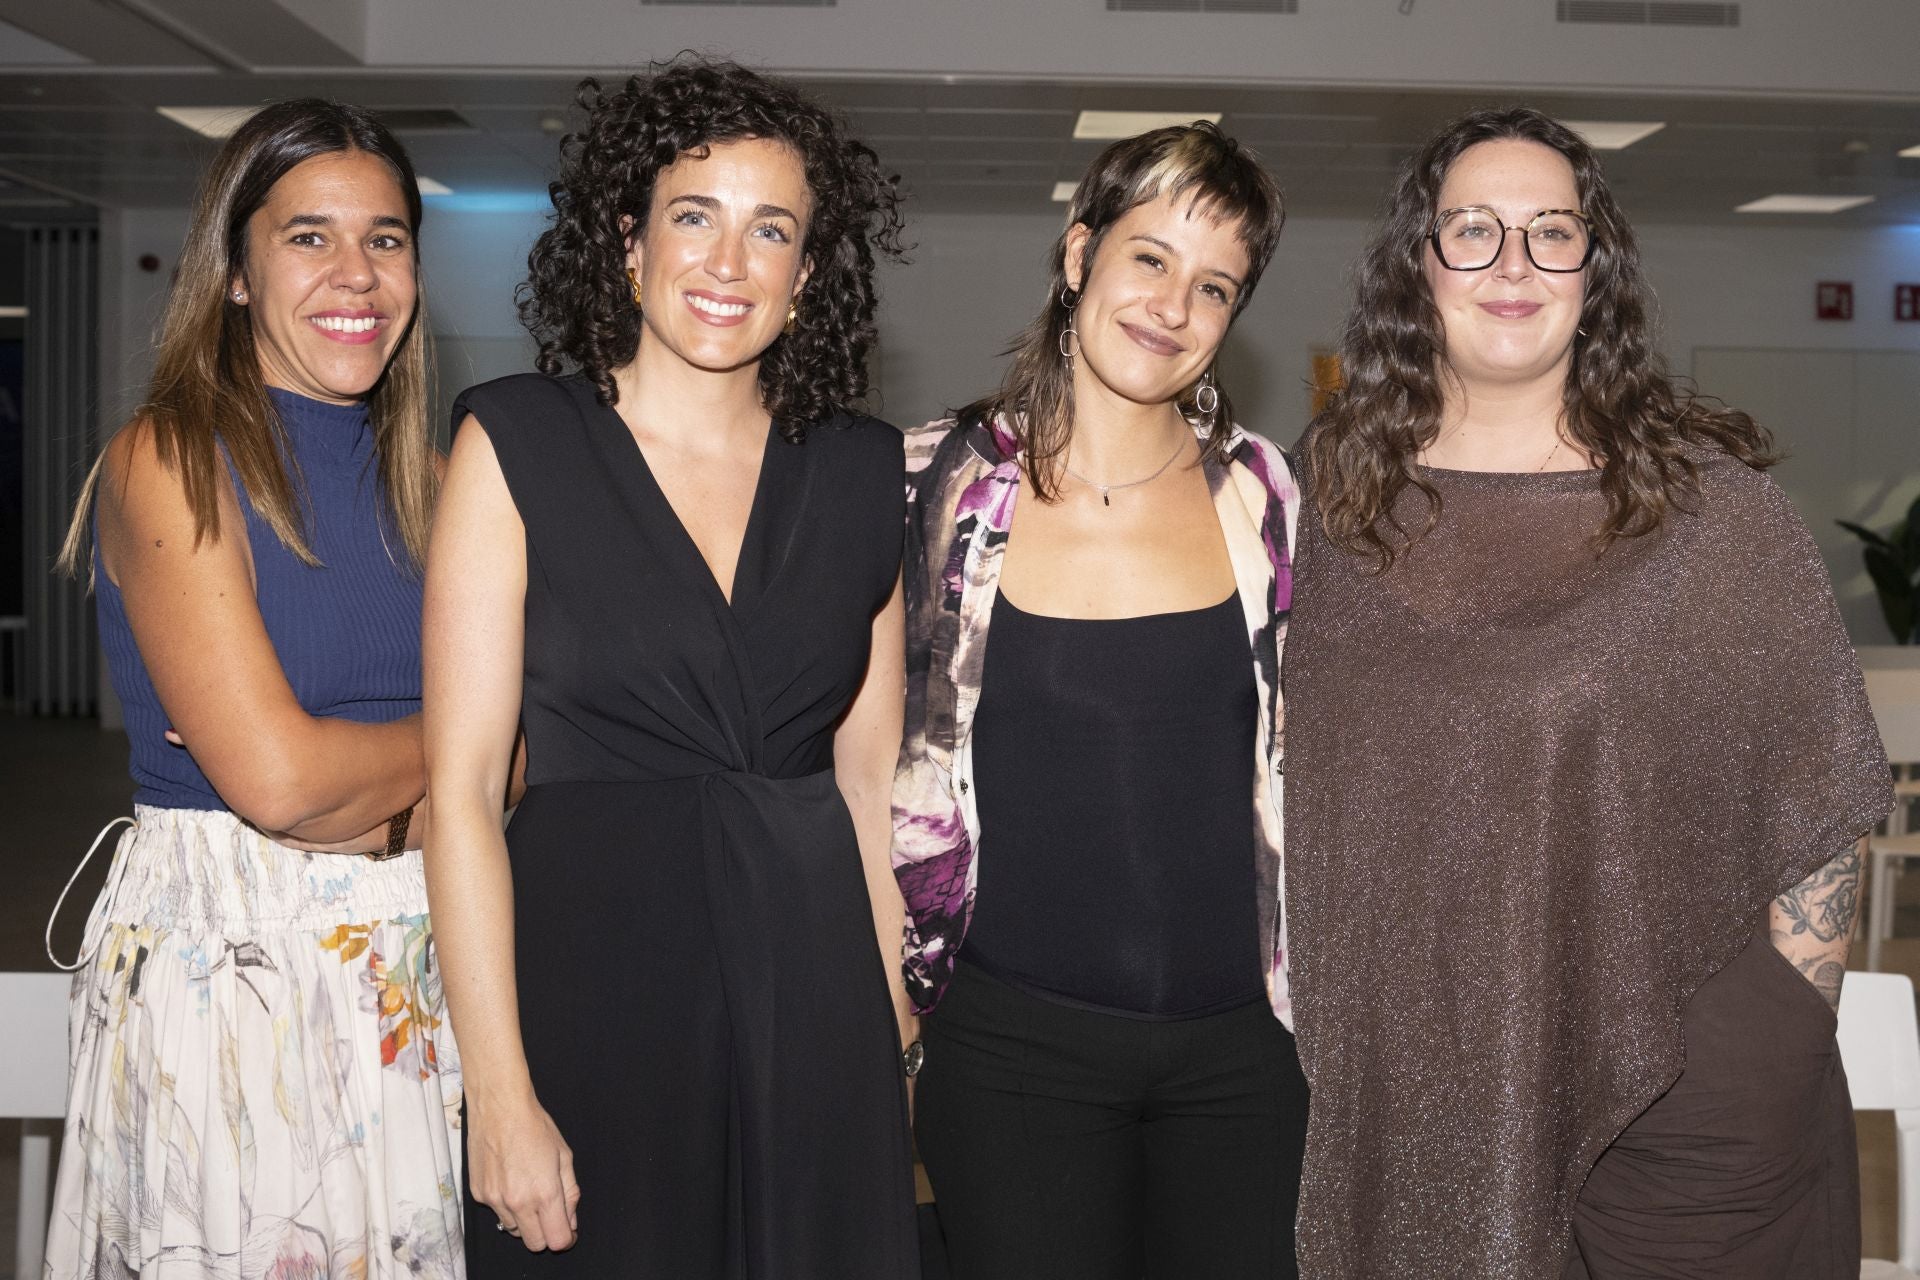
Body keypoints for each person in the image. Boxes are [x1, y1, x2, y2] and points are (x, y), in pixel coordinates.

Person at [1285, 105, 1892, 1279]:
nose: (1513, 264)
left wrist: (1791, 1021)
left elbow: (1818, 790)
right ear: (1418, 263)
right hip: (1433, 1093)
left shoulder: (1712, 514)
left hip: (1689, 1089)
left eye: (1551, 232)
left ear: (1593, 267)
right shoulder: (1329, 514)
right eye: (1474, 229)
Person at [423, 56, 919, 1276]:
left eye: (772, 231)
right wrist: (500, 1091)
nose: (728, 262)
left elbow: (868, 790)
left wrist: (895, 1036)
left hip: (814, 1000)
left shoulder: (862, 472)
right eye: (694, 216)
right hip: (593, 992)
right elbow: (463, 793)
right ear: (628, 242)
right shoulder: (517, 441)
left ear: (809, 274)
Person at [45, 99, 461, 1277]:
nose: (355, 273)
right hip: (238, 981)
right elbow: (278, 783)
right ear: (234, 272)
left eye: (385, 238)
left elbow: (540, 752)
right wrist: (461, 760)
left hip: (428, 966)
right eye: (308, 236)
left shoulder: (440, 485)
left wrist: (356, 774)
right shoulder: (168, 459)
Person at [892, 122, 1306, 1280]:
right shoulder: (931, 487)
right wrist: (890, 1025)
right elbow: (865, 772)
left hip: (1244, 1061)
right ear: (1079, 255)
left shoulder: (1269, 497)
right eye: (1149, 259)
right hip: (1011, 1056)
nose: (1174, 305)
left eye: (1214, 285)